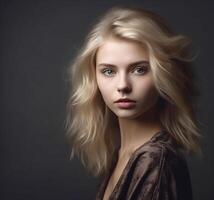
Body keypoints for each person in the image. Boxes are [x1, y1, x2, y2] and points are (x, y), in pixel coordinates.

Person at [65, 6, 202, 200]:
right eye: (109, 71)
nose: (123, 86)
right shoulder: (122, 154)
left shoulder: (156, 160)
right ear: (94, 78)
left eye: (139, 70)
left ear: (163, 74)